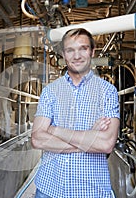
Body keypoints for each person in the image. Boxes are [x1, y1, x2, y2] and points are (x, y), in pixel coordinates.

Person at [31, 28, 120, 198]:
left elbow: (107, 143)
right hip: (50, 188)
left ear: (92, 52)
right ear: (64, 55)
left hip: (91, 190)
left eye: (83, 48)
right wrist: (90, 139)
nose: (76, 55)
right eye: (70, 50)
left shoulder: (107, 91)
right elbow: (37, 139)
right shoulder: (50, 91)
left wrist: (54, 130)